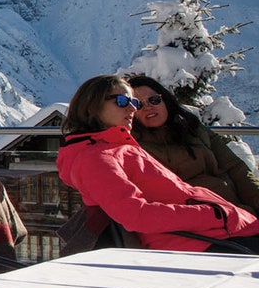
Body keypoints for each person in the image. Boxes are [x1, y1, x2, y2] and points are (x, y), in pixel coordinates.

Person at [56, 74, 259, 252]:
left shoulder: (117, 147)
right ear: (92, 106)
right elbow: (136, 214)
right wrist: (212, 215)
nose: (132, 108)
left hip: (212, 229)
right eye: (121, 101)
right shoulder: (96, 158)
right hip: (192, 239)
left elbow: (235, 168)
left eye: (132, 103)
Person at [128, 74, 259, 216]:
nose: (148, 107)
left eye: (154, 100)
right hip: (205, 221)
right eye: (138, 104)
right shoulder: (134, 147)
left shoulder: (193, 129)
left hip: (238, 210)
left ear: (165, 100)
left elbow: (236, 168)